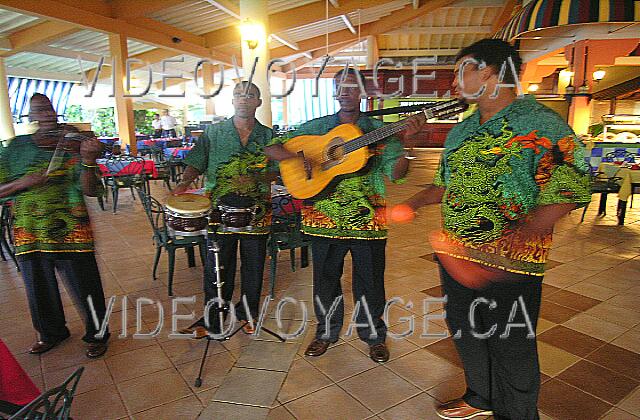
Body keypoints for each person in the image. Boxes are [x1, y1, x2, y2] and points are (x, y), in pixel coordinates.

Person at [397, 39, 591, 420]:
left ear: (489, 72)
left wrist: (525, 232)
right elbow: (446, 184)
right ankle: (480, 398)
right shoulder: (461, 132)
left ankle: (518, 413)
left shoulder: (541, 124)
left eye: (460, 70)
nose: (455, 81)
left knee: (511, 341)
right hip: (456, 254)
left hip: (512, 263)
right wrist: (414, 202)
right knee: (466, 330)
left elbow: (574, 186)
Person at [265, 68, 424, 363]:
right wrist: (303, 158)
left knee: (371, 282)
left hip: (368, 220)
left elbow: (397, 174)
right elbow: (272, 146)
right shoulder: (317, 127)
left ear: (362, 93)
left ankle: (374, 335)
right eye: (339, 87)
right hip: (323, 218)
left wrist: (409, 142)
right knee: (325, 281)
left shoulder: (379, 129)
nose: (344, 93)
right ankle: (325, 332)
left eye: (351, 88)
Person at [0, 93, 111, 358]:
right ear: (30, 116)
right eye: (39, 109)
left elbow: (91, 190)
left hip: (72, 228)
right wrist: (21, 183)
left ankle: (97, 334)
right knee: (37, 287)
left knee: (86, 286)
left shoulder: (73, 145)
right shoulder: (16, 148)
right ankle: (51, 333)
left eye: (50, 108)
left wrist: (89, 161)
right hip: (29, 231)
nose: (47, 113)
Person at [173, 82, 273, 336]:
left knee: (254, 266)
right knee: (217, 266)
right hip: (219, 209)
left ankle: (248, 314)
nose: (243, 99)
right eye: (239, 95)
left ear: (258, 103)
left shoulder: (270, 136)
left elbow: (279, 170)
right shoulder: (214, 133)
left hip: (257, 209)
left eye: (250, 95)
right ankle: (213, 319)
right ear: (232, 100)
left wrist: (261, 178)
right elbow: (196, 161)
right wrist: (184, 182)